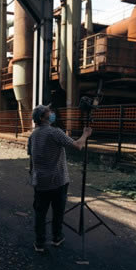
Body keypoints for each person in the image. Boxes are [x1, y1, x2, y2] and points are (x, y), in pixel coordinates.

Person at [27, 104, 92, 253]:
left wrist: (33, 175)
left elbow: (31, 159)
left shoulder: (33, 135)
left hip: (40, 181)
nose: (52, 113)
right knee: (58, 212)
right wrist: (85, 134)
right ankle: (57, 238)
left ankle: (39, 243)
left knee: (40, 213)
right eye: (49, 112)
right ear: (43, 117)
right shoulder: (54, 132)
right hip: (58, 181)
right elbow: (77, 145)